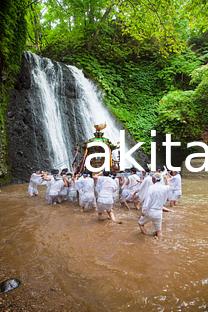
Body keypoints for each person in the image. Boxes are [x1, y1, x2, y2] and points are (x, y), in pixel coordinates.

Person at [138, 173, 171, 239]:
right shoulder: (166, 188)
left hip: (150, 211)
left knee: (140, 223)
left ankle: (146, 238)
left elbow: (147, 201)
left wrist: (143, 211)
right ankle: (160, 243)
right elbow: (169, 187)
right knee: (159, 231)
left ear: (153, 179)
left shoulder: (151, 188)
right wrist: (167, 179)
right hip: (159, 212)